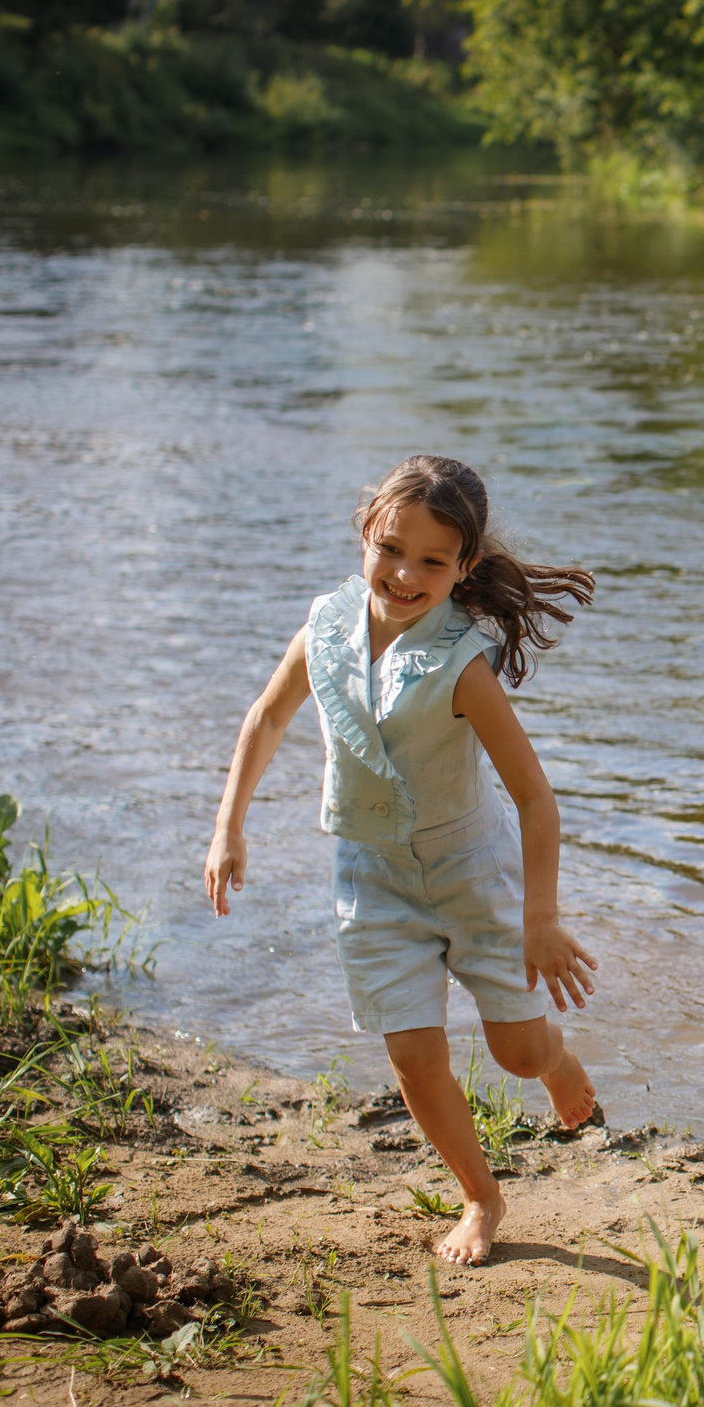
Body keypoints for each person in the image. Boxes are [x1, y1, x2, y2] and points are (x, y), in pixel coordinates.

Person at [204, 455, 603, 1266]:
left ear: (467, 568)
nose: (405, 574)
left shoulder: (462, 665)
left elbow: (534, 798)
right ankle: (481, 1197)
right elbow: (267, 717)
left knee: (516, 1053)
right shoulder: (325, 628)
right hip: (374, 876)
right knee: (415, 1060)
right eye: (391, 549)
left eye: (432, 560)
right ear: (364, 536)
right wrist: (228, 827)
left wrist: (541, 917)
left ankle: (558, 1065)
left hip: (473, 873)